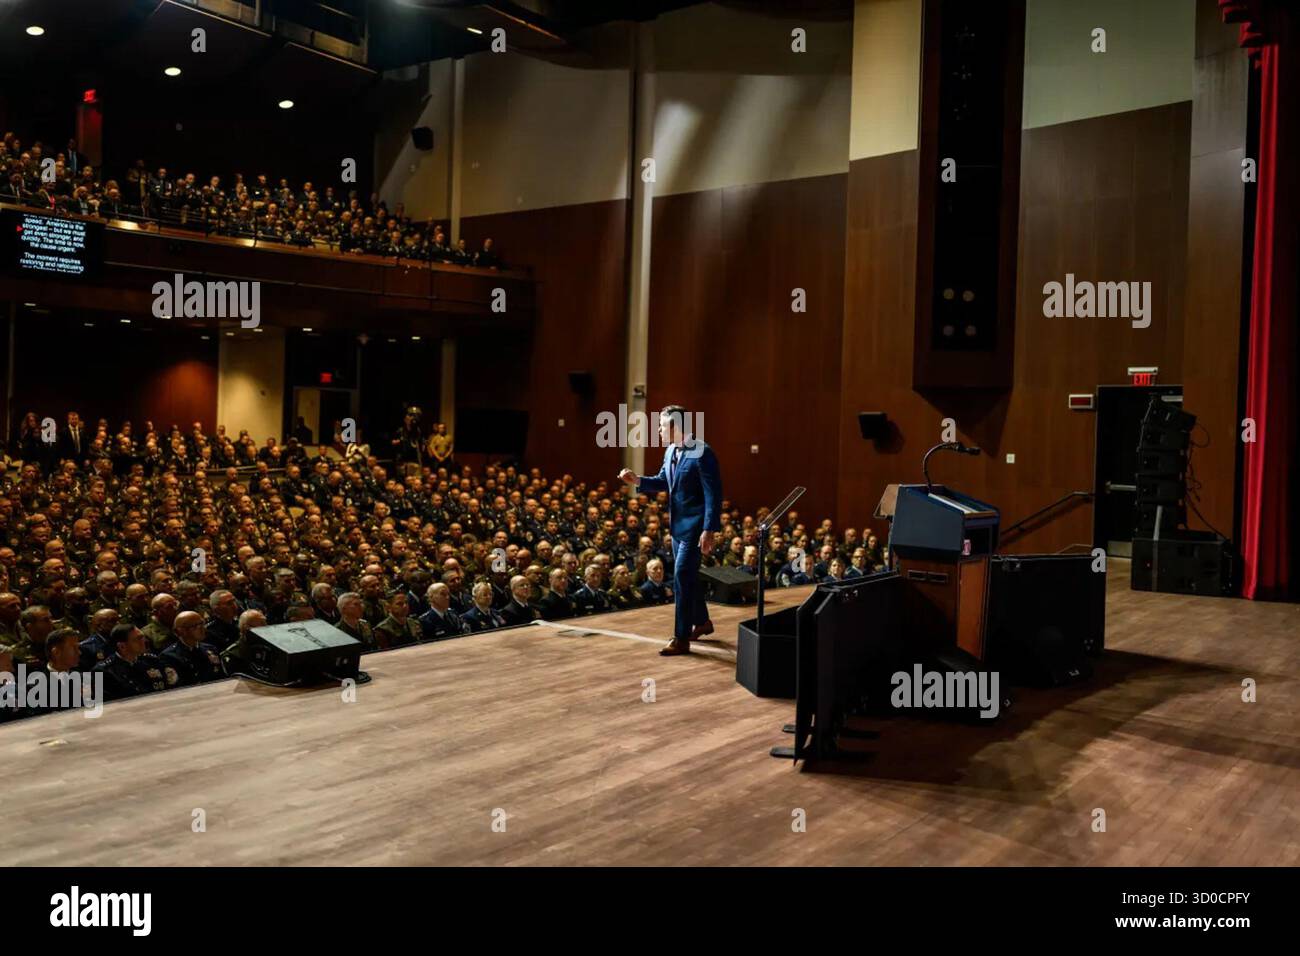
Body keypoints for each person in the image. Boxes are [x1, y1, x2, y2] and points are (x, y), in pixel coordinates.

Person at [618, 405, 722, 656]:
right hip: (677, 527)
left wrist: (709, 529)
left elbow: (713, 494)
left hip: (695, 529)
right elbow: (665, 480)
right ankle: (703, 622)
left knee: (682, 576)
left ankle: (681, 637)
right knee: (688, 577)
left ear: (676, 427)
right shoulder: (670, 451)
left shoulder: (702, 452)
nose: (659, 430)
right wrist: (639, 480)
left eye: (662, 426)